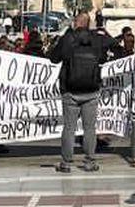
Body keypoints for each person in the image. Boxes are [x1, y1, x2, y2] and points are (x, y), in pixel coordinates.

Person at [49, 12, 118, 173]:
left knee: (69, 128)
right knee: (89, 128)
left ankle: (66, 162)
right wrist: (100, 31)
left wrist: (65, 37)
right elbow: (114, 43)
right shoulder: (96, 39)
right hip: (91, 90)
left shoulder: (68, 39)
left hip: (70, 90)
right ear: (89, 24)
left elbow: (53, 58)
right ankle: (90, 161)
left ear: (75, 23)